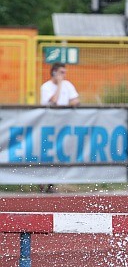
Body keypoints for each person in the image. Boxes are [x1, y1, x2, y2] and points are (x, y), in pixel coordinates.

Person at [39, 63, 80, 192]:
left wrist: (63, 84)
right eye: (61, 72)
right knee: (46, 154)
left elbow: (75, 101)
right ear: (54, 73)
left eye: (64, 72)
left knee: (59, 153)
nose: (64, 75)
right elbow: (54, 101)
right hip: (48, 125)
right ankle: (41, 180)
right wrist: (60, 85)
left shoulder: (68, 85)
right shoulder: (46, 87)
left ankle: (52, 183)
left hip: (63, 125)